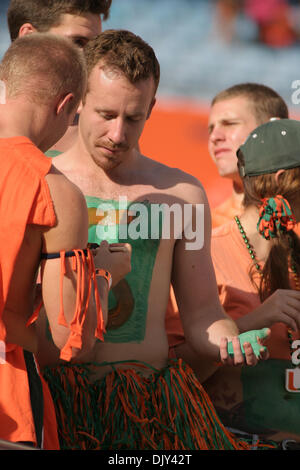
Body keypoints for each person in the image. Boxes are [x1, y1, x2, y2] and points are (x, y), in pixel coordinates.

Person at [38, 29, 269, 451]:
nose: (118, 134)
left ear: (153, 108)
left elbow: (203, 317)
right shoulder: (42, 179)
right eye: (106, 114)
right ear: (78, 99)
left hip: (150, 408)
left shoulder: (184, 194)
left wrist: (228, 340)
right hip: (54, 401)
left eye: (134, 117)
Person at [0, 33, 130, 450]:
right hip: (10, 402)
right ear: (65, 105)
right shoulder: (55, 191)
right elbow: (68, 342)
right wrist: (104, 277)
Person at [166, 83, 289, 371]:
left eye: (229, 124)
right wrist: (256, 319)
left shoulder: (292, 227)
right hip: (227, 409)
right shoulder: (201, 230)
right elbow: (173, 362)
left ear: (272, 131)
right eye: (210, 129)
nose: (214, 137)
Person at [203, 118, 300, 448]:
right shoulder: (207, 252)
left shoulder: (295, 251)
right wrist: (256, 319)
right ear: (280, 180)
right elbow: (175, 369)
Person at [6, 0, 112, 154]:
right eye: (78, 42)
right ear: (28, 37)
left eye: (95, 46)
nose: (92, 57)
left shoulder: (108, 129)